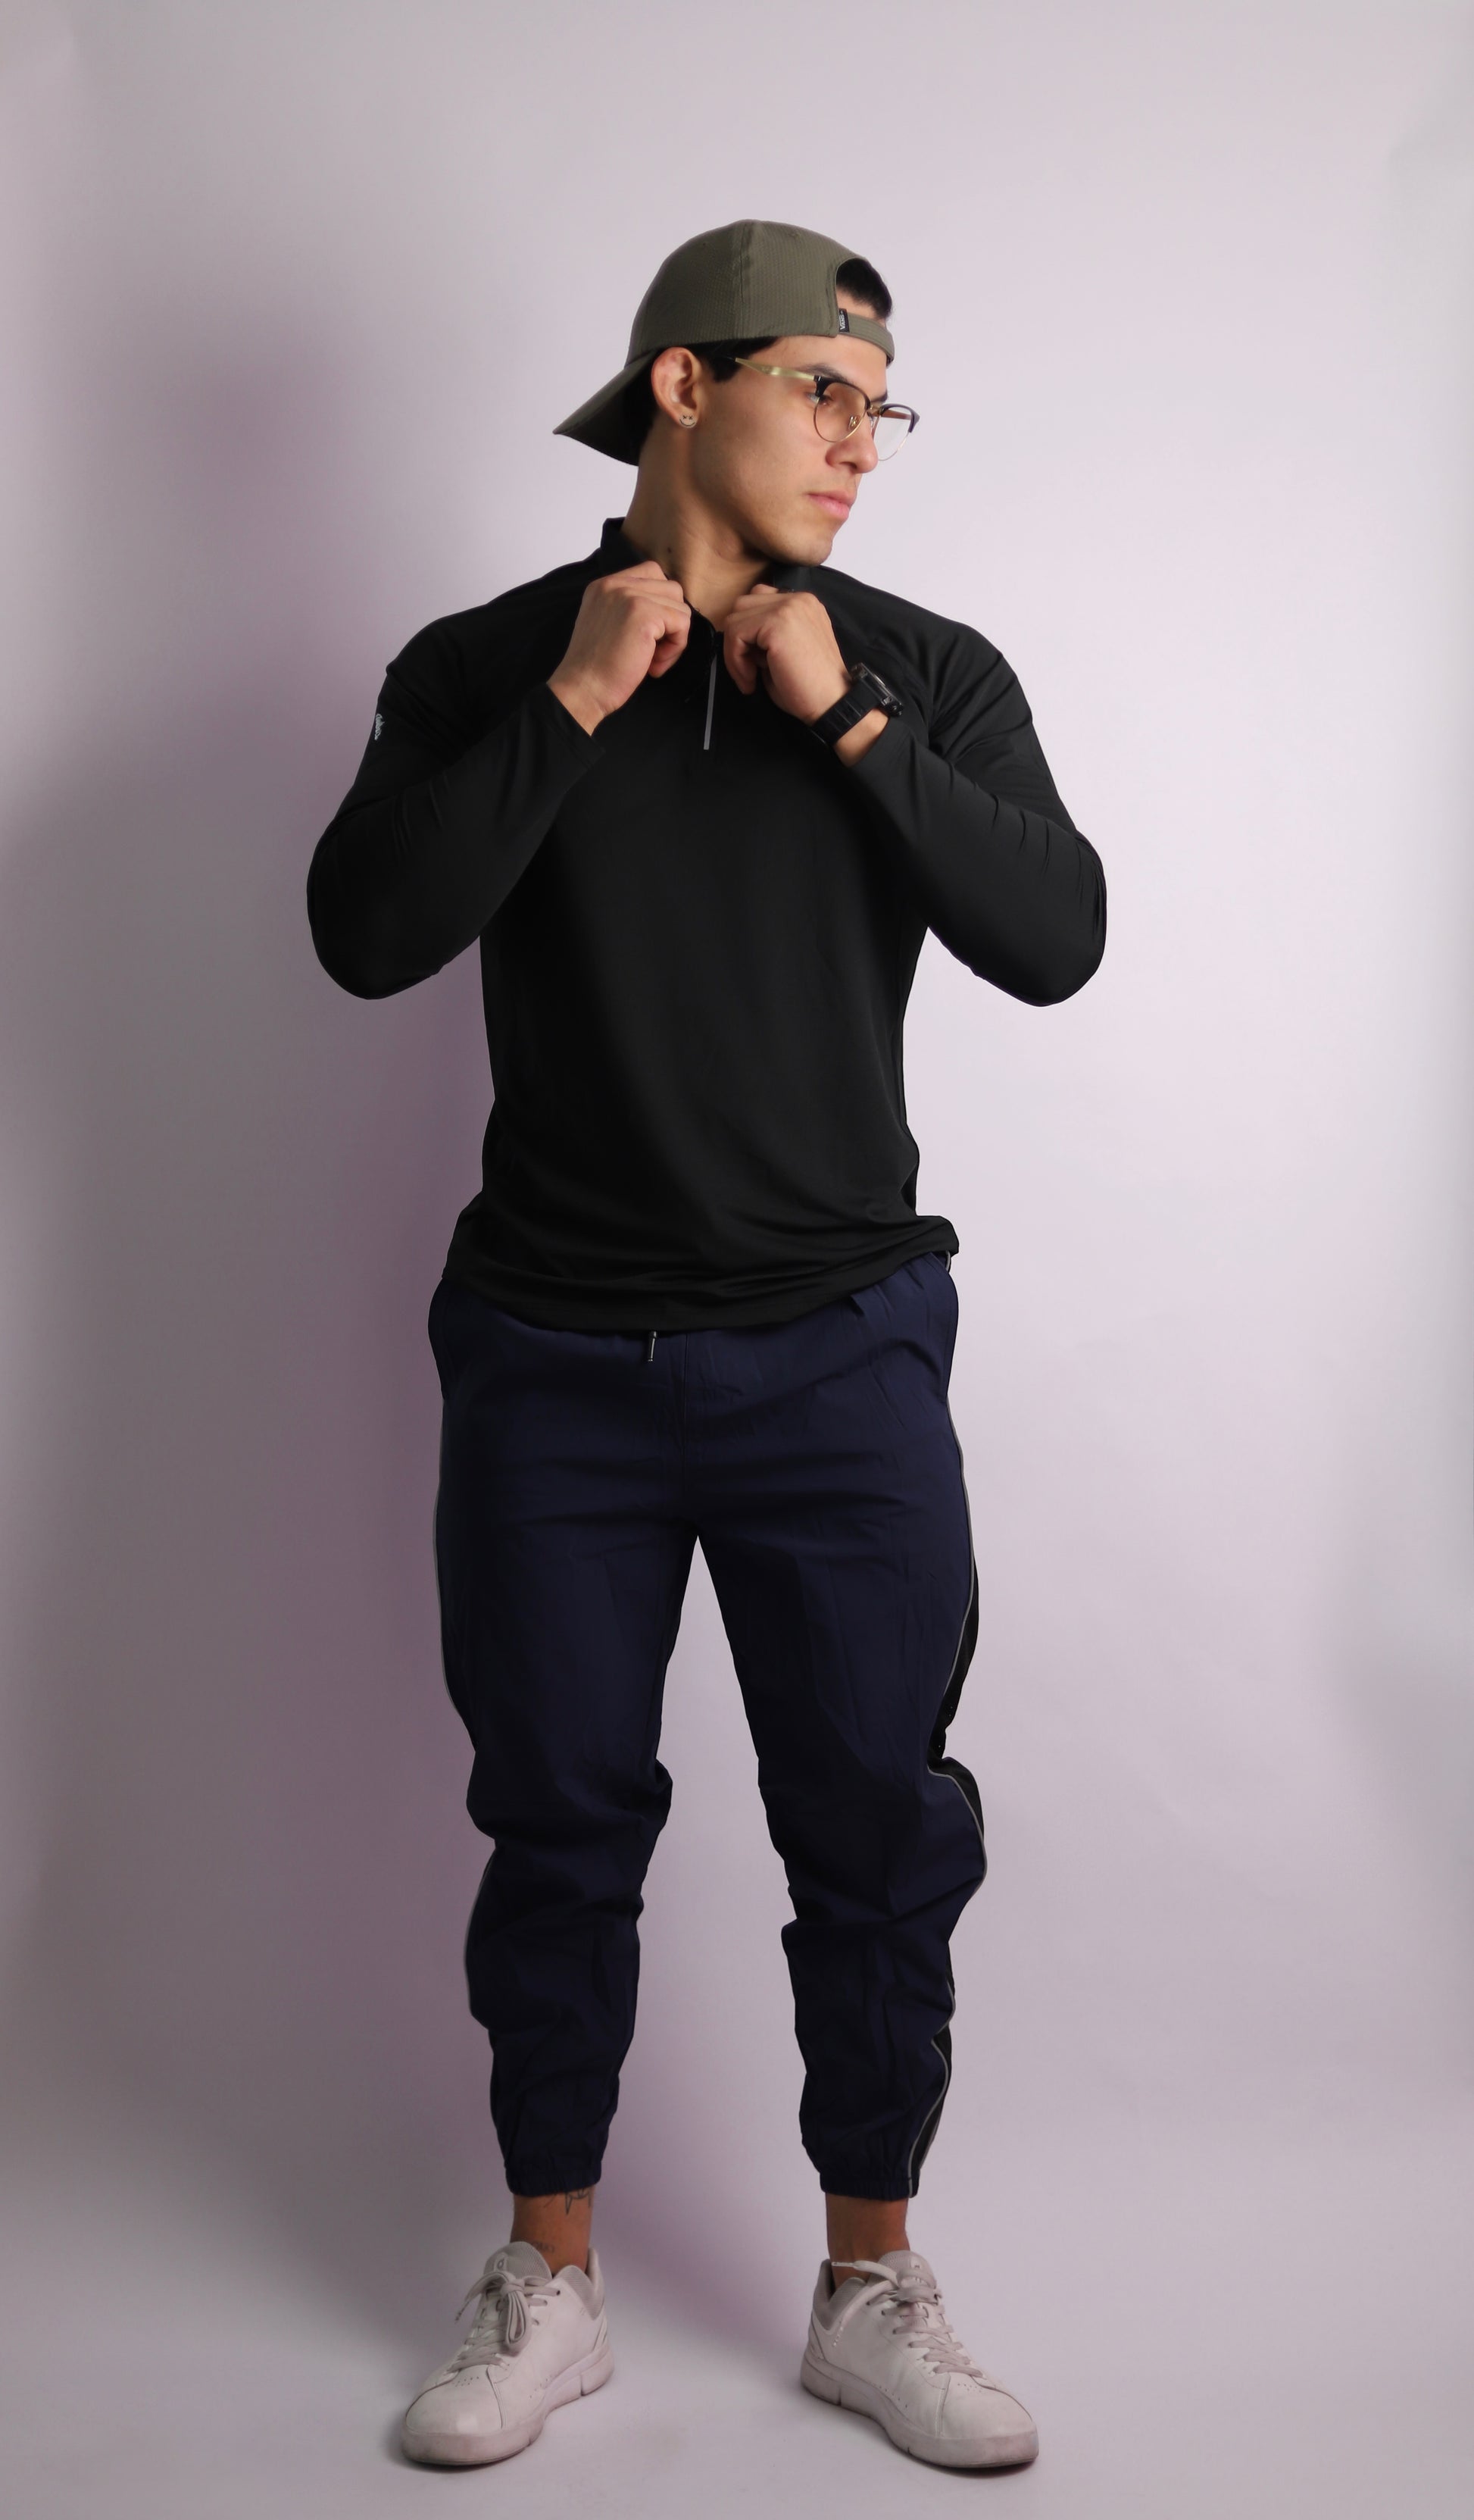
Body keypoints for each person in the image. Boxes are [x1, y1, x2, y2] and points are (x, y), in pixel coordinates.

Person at [307, 217, 1105, 2475]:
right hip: (551, 1360)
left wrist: (841, 716)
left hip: (840, 1351)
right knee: (557, 1827)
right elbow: (363, 930)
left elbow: (1056, 935)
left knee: (877, 1828)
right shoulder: (488, 663)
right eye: (819, 391)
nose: (860, 443)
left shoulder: (922, 670)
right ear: (685, 385)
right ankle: (547, 2280)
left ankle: (869, 2287)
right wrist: (576, 701)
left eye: (879, 408)